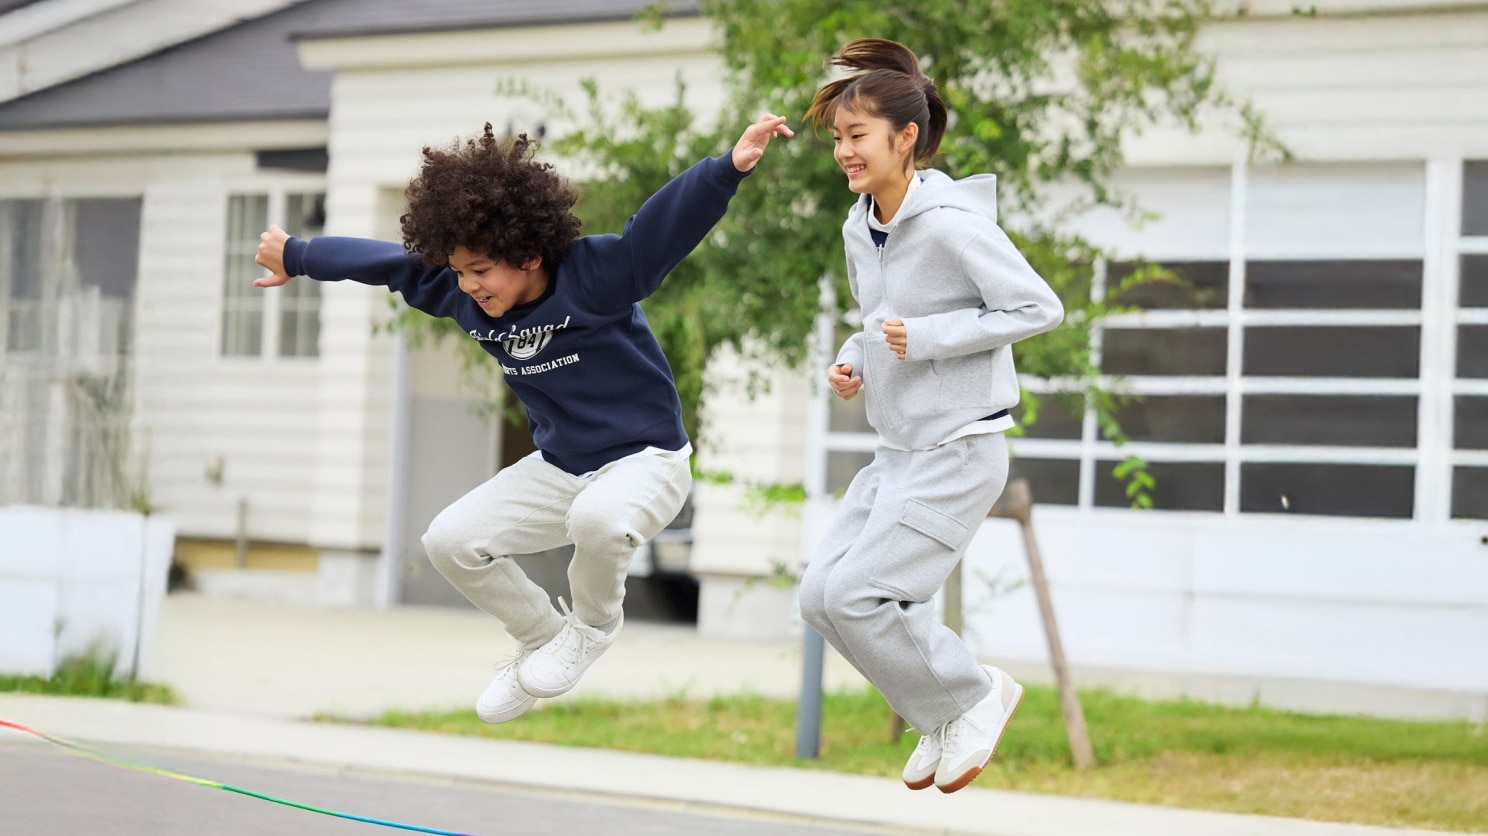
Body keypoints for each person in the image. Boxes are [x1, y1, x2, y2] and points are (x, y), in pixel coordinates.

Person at [254, 115, 792, 723]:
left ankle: (591, 628)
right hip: (562, 468)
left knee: (597, 518)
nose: (469, 286)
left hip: (647, 464)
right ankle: (542, 638)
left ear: (529, 254)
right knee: (450, 541)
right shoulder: (460, 293)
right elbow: (389, 265)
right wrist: (299, 255)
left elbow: (654, 234)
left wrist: (726, 169)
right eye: (459, 272)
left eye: (481, 271)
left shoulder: (594, 276)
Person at [797, 39, 1064, 794]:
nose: (844, 152)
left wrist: (930, 338)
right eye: (838, 138)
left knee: (860, 595)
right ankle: (943, 715)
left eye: (857, 135)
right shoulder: (860, 226)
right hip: (898, 451)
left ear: (905, 137)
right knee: (821, 598)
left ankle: (974, 695)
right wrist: (854, 358)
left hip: (959, 448)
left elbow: (1038, 307)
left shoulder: (953, 224)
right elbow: (879, 321)